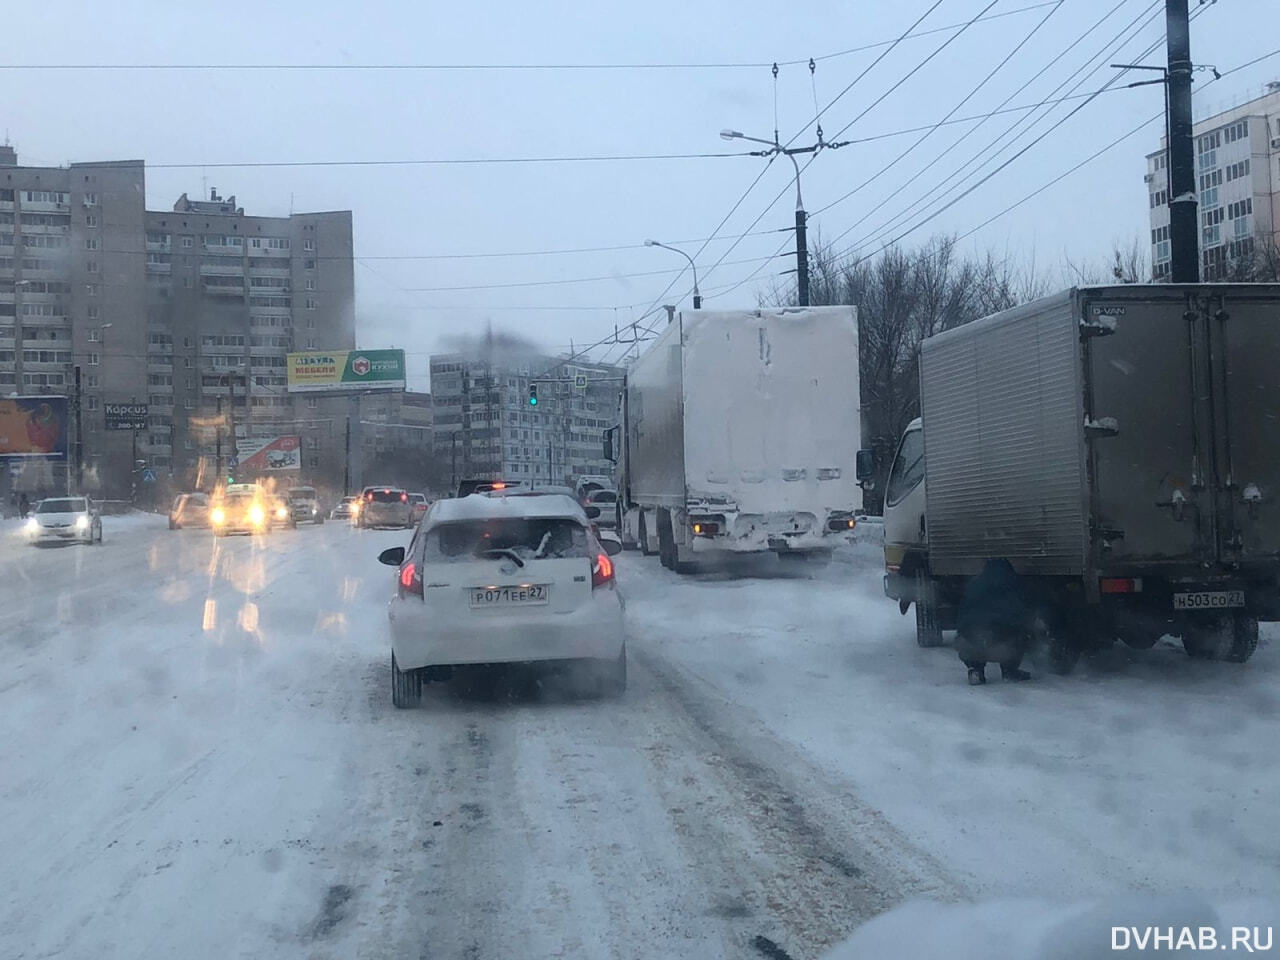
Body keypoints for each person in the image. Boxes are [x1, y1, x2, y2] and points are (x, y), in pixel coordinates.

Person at [954, 558, 1033, 685]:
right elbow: (1020, 615)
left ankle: (975, 669)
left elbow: (961, 616)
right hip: (1001, 648)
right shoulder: (1013, 586)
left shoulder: (974, 585)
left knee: (965, 637)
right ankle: (1009, 671)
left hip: (970, 644)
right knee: (1021, 634)